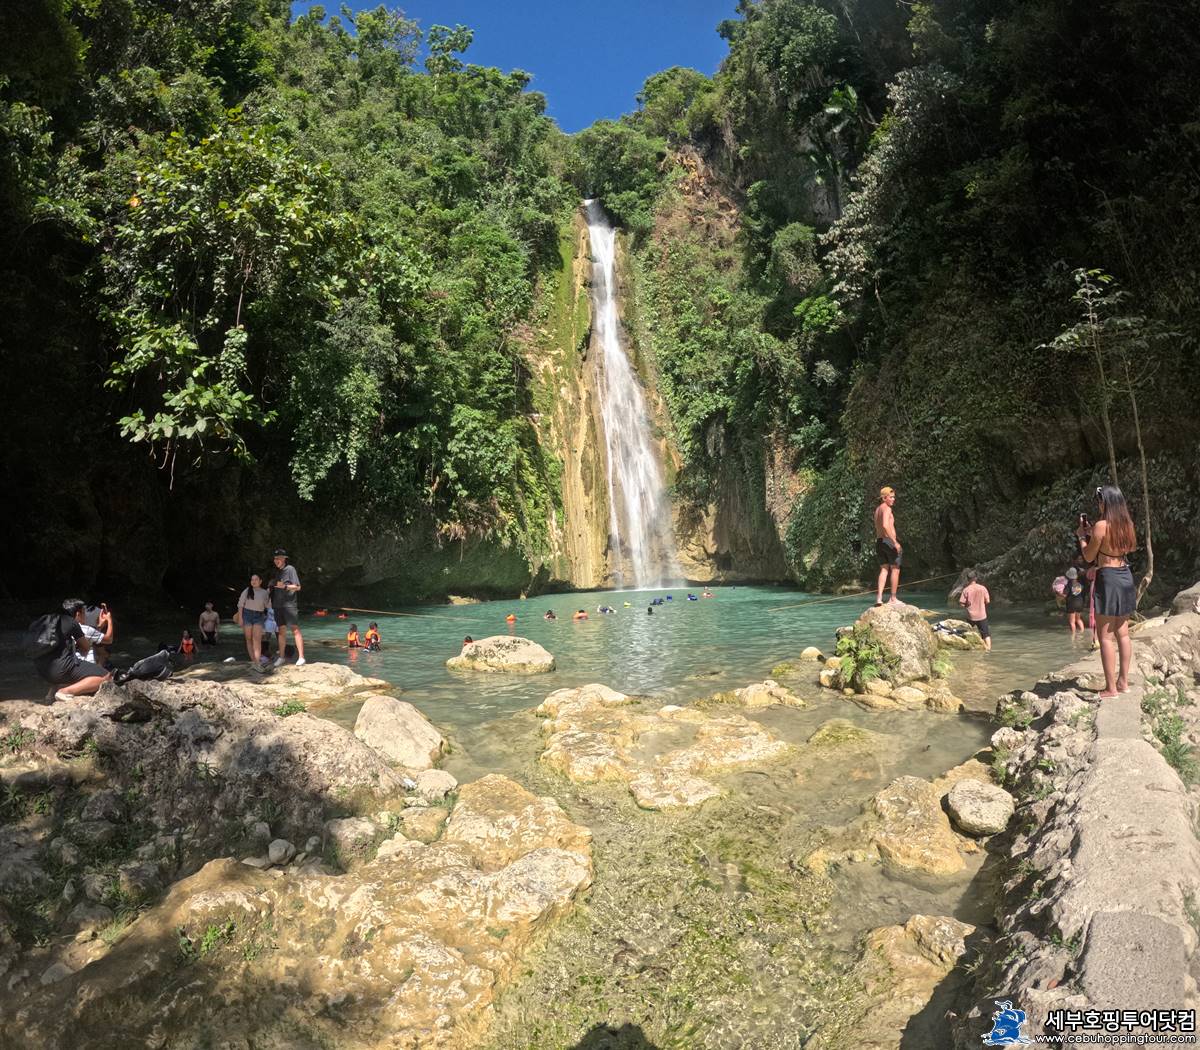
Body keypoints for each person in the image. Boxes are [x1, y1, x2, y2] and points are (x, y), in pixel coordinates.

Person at [1077, 484, 1138, 698]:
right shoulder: (1127, 524)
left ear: (1106, 503)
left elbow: (1088, 555)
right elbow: (1130, 548)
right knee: (1123, 633)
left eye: (1100, 501)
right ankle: (1123, 682)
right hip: (1125, 575)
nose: (1098, 504)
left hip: (1109, 579)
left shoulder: (1101, 526)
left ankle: (1111, 688)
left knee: (1105, 636)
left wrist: (1082, 537)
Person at [31, 598, 113, 698]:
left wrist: (98, 628)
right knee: (108, 677)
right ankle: (65, 691)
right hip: (66, 668)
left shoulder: (49, 624)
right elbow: (90, 646)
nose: (85, 616)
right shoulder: (77, 625)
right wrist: (109, 620)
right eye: (84, 613)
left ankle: (52, 692)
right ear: (78, 614)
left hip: (44, 670)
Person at [268, 549, 305, 667]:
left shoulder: (290, 569)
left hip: (289, 605)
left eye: (278, 558)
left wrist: (284, 586)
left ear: (284, 559)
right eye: (275, 558)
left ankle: (301, 657)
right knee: (281, 631)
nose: (276, 560)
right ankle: (282, 657)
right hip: (278, 605)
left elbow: (298, 587)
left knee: (295, 629)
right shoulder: (277, 572)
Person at [236, 573, 271, 671]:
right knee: (249, 639)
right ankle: (254, 662)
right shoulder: (247, 590)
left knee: (257, 640)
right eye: (252, 580)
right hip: (246, 615)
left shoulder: (264, 592)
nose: (253, 581)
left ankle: (257, 663)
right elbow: (240, 605)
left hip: (259, 616)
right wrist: (240, 618)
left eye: (256, 579)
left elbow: (267, 606)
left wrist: (271, 594)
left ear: (260, 581)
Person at [874, 486, 902, 605]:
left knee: (884, 569)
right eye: (891, 497)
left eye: (894, 497)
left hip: (879, 542)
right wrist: (894, 542)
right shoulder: (887, 509)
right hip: (889, 542)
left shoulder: (877, 510)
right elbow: (885, 525)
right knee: (895, 569)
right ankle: (893, 599)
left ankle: (879, 598)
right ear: (884, 498)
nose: (893, 499)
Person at [958, 570, 992, 652]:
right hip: (982, 616)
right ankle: (988, 650)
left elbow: (961, 604)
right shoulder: (983, 588)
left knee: (968, 632)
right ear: (975, 578)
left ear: (968, 579)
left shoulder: (966, 590)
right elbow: (988, 601)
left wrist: (968, 605)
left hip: (971, 617)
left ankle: (970, 649)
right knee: (986, 634)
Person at [1064, 567, 1087, 638]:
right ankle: (1082, 633)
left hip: (1071, 603)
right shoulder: (1080, 584)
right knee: (1078, 619)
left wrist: (1057, 593)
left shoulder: (1069, 584)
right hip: (1080, 603)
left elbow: (1065, 594)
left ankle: (1073, 637)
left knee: (1072, 622)